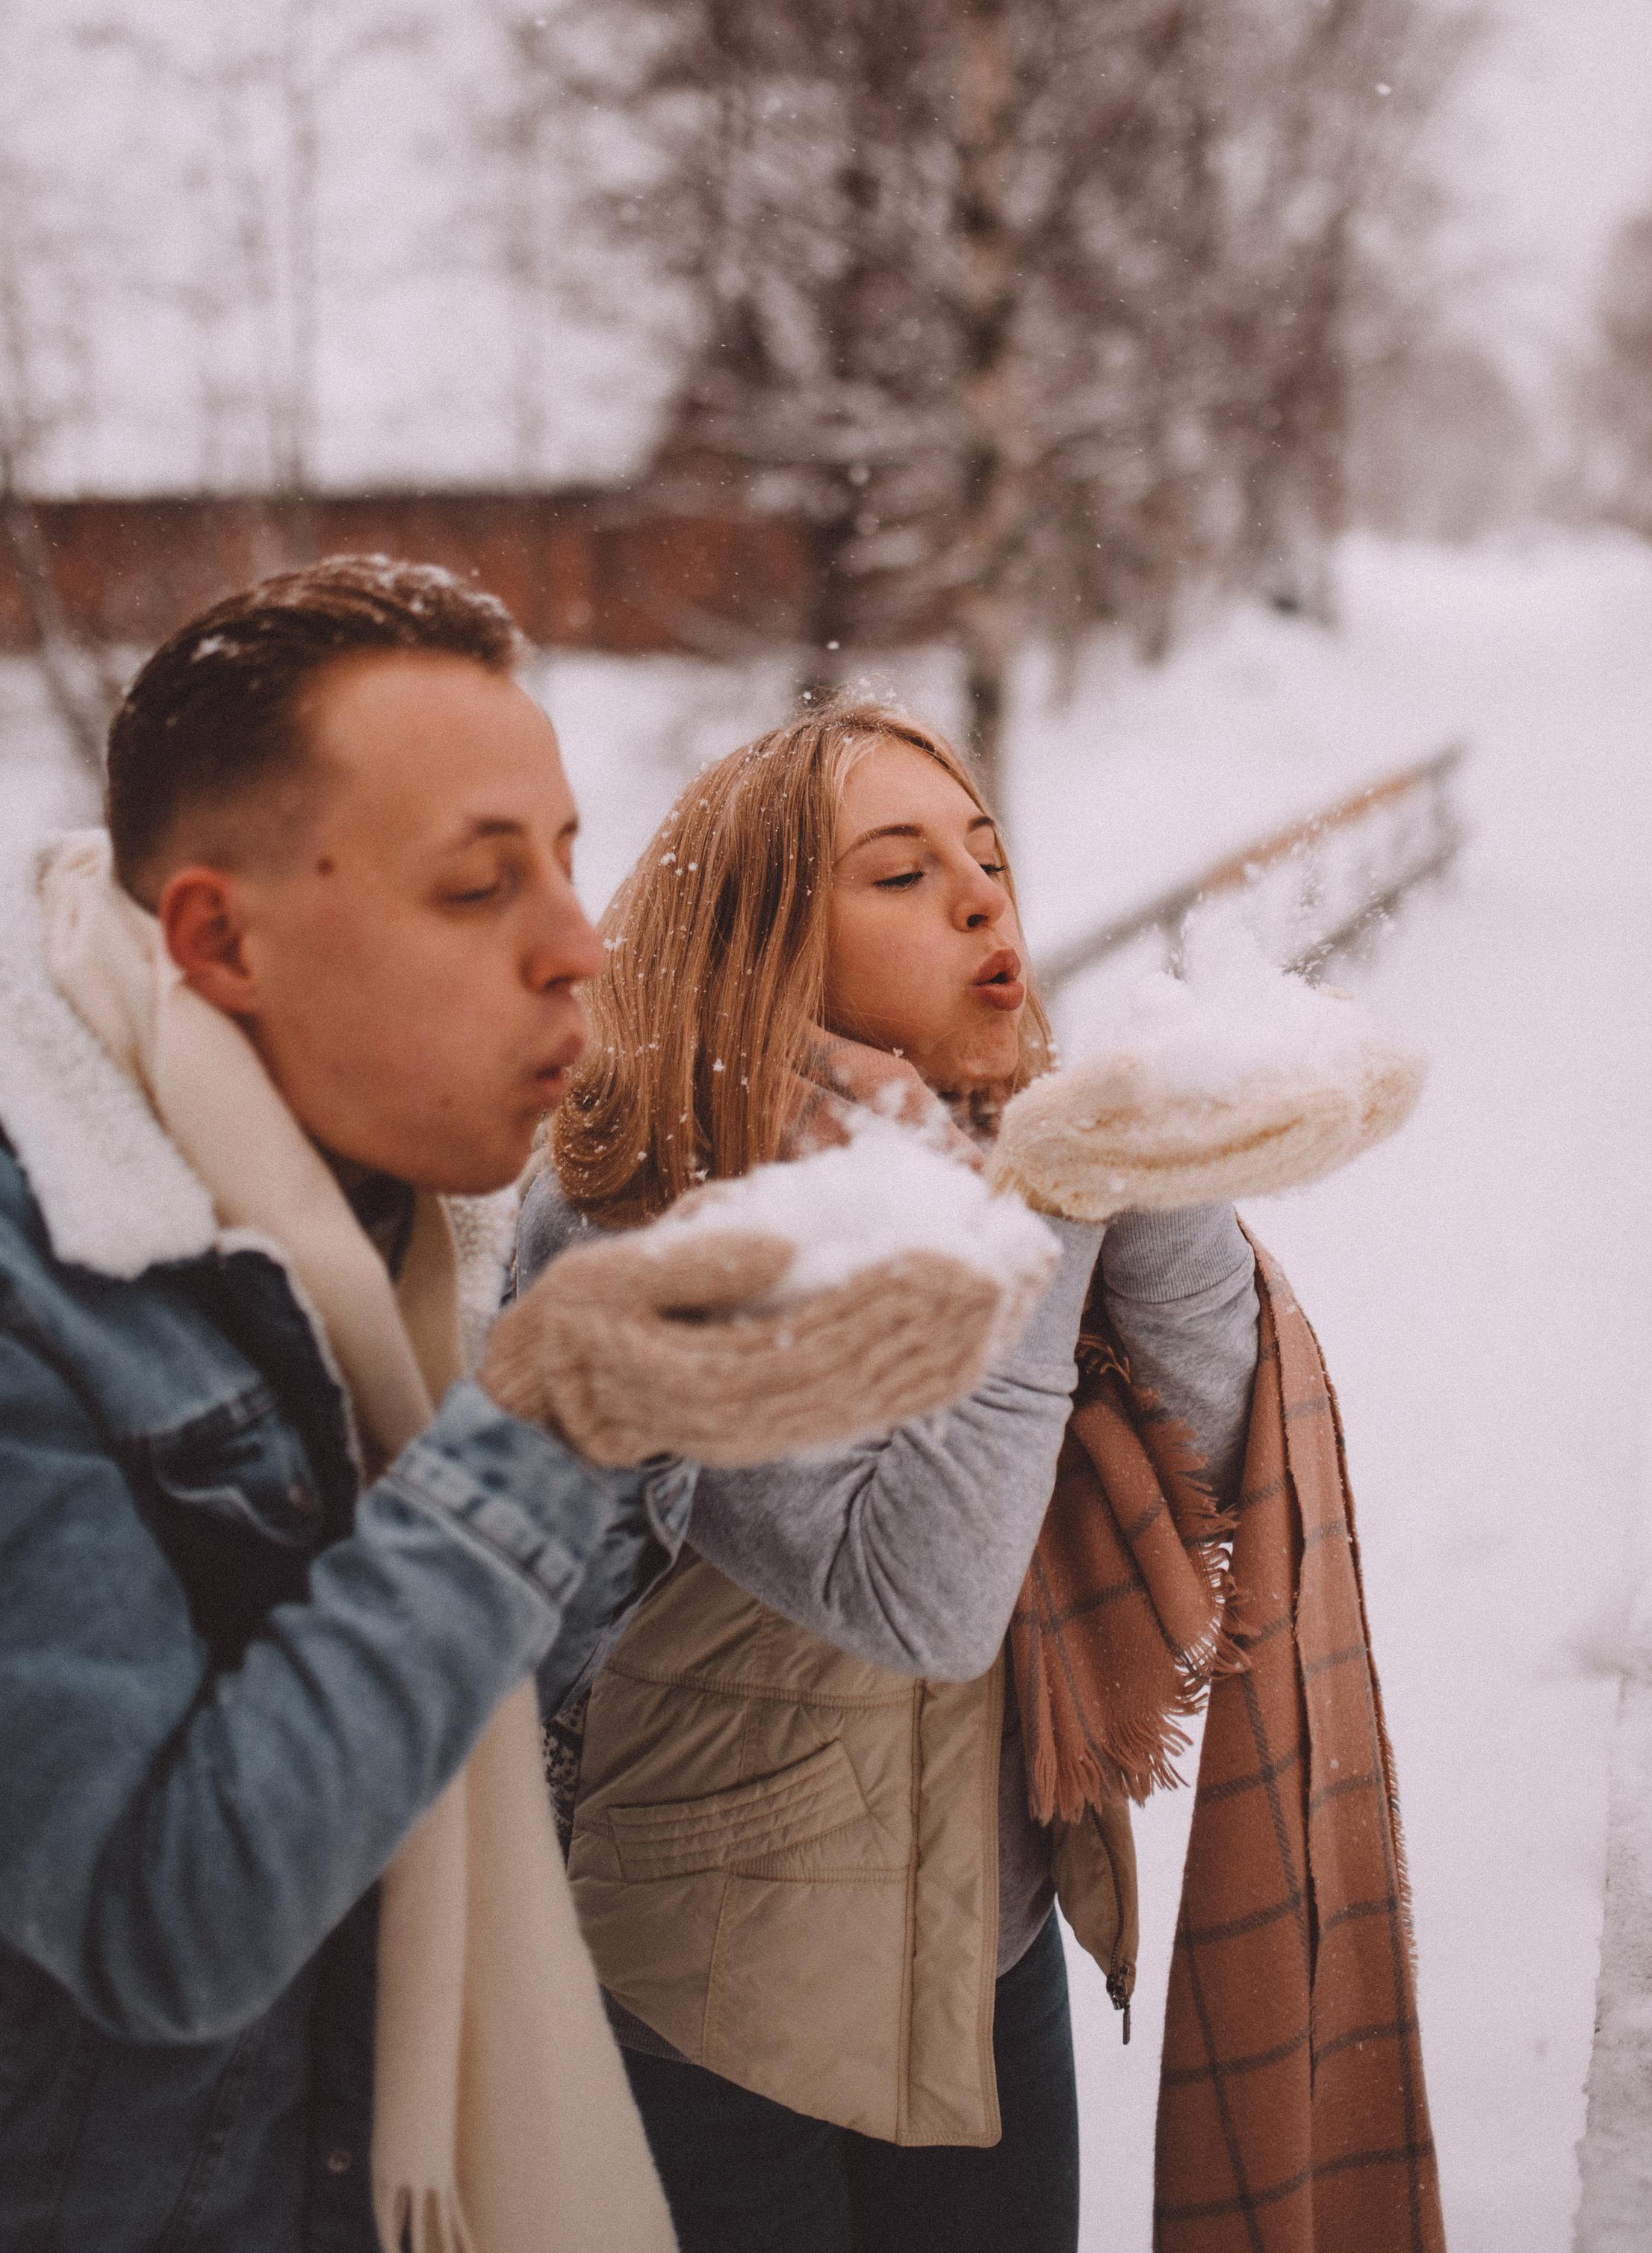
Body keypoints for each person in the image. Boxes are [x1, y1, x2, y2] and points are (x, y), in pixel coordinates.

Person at [0, 562, 1031, 2253]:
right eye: (484, 886)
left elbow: (526, 1701)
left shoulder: (371, 1213)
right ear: (218, 936)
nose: (579, 942)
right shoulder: (47, 1292)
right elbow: (163, 1923)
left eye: (565, 855)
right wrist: (547, 1423)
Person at [518, 699, 1444, 2253]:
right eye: (898, 873)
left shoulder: (985, 1146)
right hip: (707, 1981)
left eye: (989, 856)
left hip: (980, 1921)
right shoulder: (654, 1201)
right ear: (755, 942)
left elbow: (1227, 1443)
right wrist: (1062, 1201)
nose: (977, 896)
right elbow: (918, 1592)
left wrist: (1152, 1172)